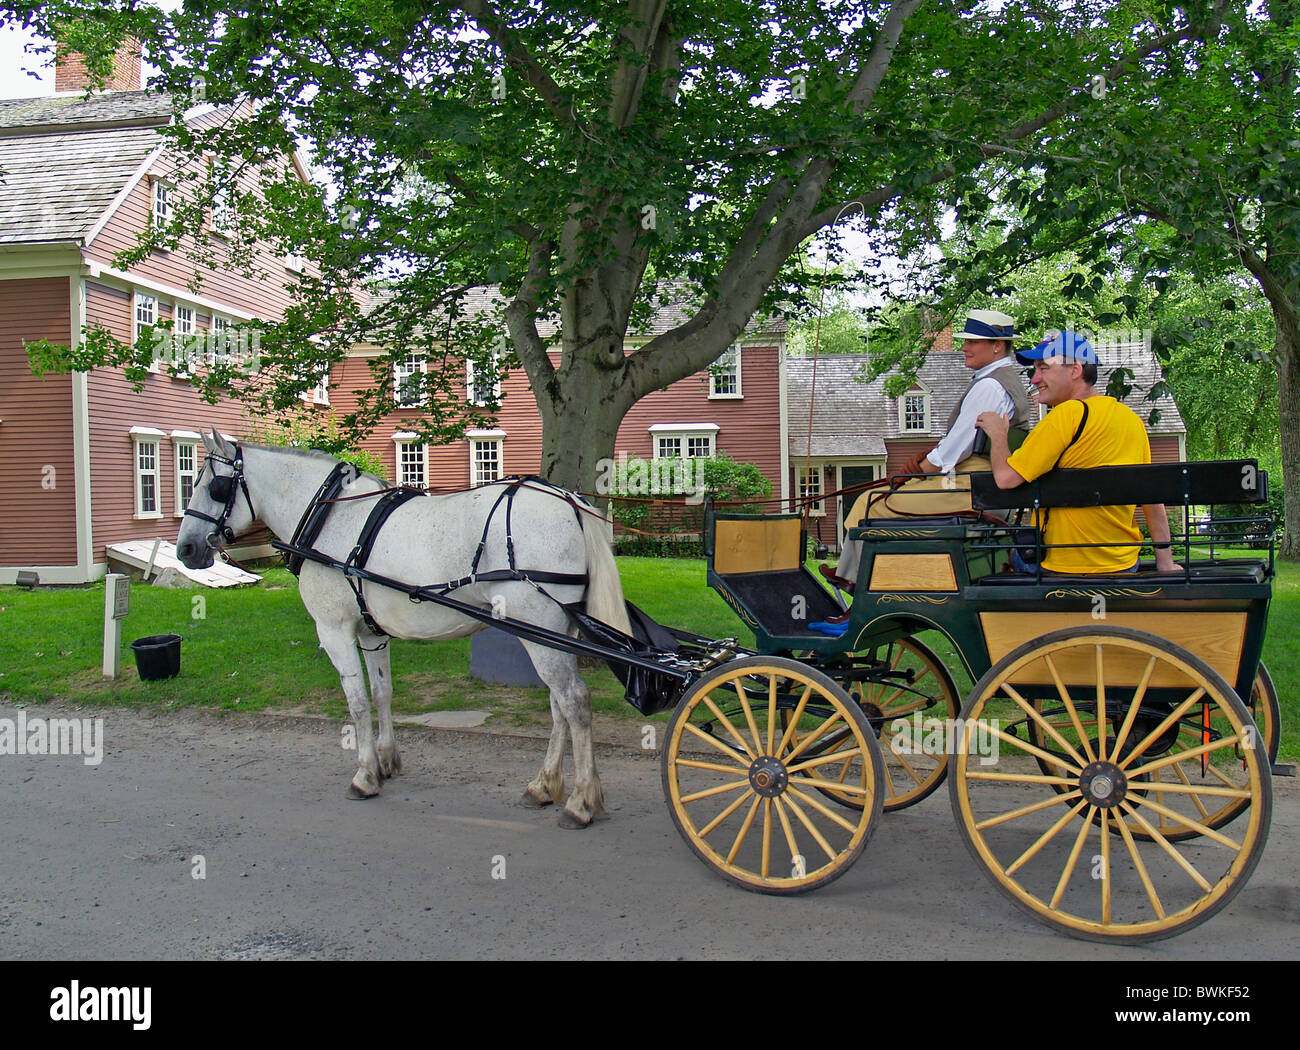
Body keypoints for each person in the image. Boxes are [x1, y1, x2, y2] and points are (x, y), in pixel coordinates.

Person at [823, 309, 1033, 598]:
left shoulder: (989, 386)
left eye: (973, 342)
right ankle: (855, 579)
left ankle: (861, 589)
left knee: (872, 504)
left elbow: (954, 450)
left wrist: (916, 471)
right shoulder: (1004, 379)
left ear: (997, 345)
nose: (964, 348)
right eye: (965, 341)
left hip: (971, 487)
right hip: (984, 486)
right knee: (874, 499)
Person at [975, 330, 1178, 575]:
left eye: (1044, 368)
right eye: (1035, 370)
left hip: (1062, 565)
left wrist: (998, 434)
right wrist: (1165, 562)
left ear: (1075, 371)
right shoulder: (1131, 420)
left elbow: (1006, 479)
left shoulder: (1065, 415)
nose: (1035, 379)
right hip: (1123, 563)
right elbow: (1152, 499)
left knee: (991, 552)